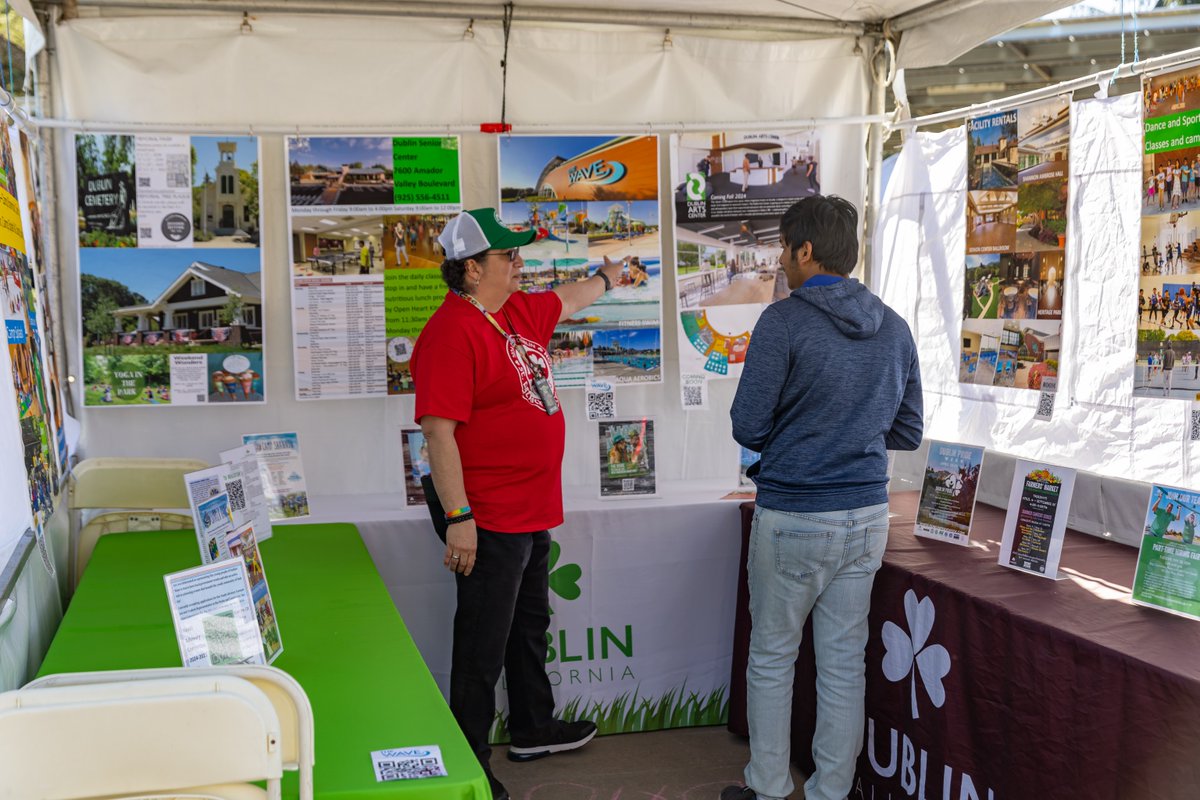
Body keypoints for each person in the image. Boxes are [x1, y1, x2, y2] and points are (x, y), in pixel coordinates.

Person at [411, 208, 624, 800]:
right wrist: (459, 519)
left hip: (529, 508)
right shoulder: (450, 332)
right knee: (482, 644)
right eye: (509, 257)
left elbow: (569, 299)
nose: (520, 263)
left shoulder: (516, 312)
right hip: (486, 514)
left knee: (528, 624)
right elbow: (438, 433)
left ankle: (533, 726)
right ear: (473, 269)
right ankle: (471, 765)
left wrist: (609, 276)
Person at [723, 195, 922, 800]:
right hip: (866, 516)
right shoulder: (894, 325)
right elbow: (908, 431)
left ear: (804, 250)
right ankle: (831, 792)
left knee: (774, 658)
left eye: (784, 247)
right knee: (842, 661)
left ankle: (768, 787)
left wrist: (809, 432)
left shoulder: (783, 321)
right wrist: (851, 432)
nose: (781, 260)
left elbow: (748, 425)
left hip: (795, 513)